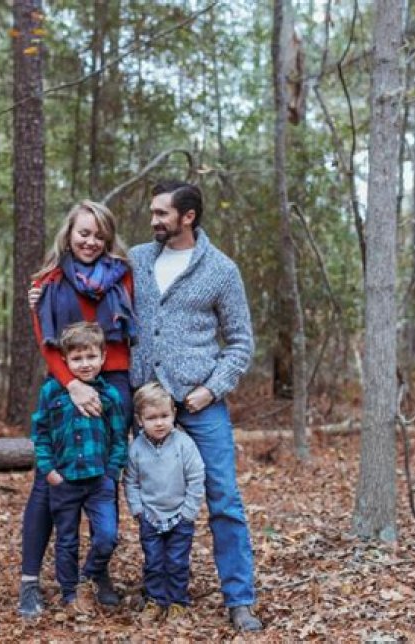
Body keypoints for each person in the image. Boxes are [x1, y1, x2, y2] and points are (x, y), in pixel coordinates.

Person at [128, 180, 263, 632]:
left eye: (162, 213)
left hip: (200, 404)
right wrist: (42, 293)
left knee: (223, 499)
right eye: (153, 212)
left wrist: (212, 388)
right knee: (150, 498)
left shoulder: (221, 270)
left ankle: (240, 600)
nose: (153, 220)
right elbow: (92, 284)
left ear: (188, 217)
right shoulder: (137, 259)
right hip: (149, 406)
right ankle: (159, 590)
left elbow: (240, 342)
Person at [18, 200, 136, 618]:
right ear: (69, 234)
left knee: (105, 477)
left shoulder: (123, 275)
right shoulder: (47, 282)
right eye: (84, 233)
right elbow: (47, 345)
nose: (91, 241)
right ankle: (30, 581)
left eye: (99, 235)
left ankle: (97, 574)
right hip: (65, 383)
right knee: (49, 482)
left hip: (115, 381)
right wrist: (71, 386)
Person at [32, 322, 128, 612]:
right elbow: (41, 433)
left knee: (107, 536)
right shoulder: (52, 392)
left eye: (91, 357)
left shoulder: (110, 396)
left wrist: (111, 473)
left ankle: (88, 575)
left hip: (99, 481)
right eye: (77, 358)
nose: (85, 364)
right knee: (67, 540)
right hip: (65, 479)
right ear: (64, 360)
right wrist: (49, 471)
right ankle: (70, 594)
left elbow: (119, 438)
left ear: (103, 357)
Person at [124, 382, 205, 621]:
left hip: (180, 515)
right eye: (151, 418)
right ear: (140, 420)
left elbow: (196, 477)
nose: (159, 423)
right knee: (154, 562)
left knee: (177, 562)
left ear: (174, 414)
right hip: (150, 516)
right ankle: (156, 600)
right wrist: (138, 510)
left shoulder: (184, 444)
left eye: (164, 416)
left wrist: (188, 512)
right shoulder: (136, 448)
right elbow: (131, 481)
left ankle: (178, 601)